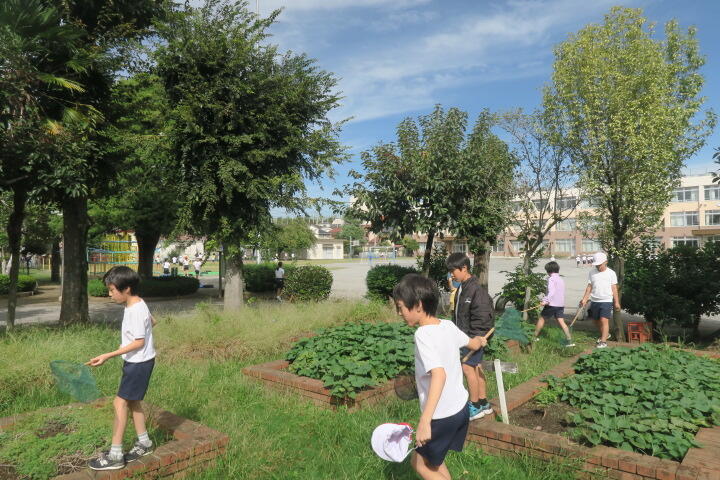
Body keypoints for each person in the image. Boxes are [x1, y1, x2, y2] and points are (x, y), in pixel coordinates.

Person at [392, 274, 488, 480]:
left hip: (441, 415)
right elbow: (472, 343)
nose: (399, 313)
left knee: (419, 463)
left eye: (401, 307)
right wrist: (480, 340)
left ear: (418, 305)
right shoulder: (447, 325)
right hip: (460, 409)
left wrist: (425, 421)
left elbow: (439, 375)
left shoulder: (423, 334)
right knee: (433, 461)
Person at [86, 266, 156, 471]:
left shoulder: (135, 310)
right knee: (133, 402)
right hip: (140, 361)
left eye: (112, 290)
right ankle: (145, 443)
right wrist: (128, 343)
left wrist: (108, 355)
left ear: (126, 289)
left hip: (138, 364)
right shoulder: (138, 303)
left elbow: (139, 342)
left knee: (119, 403)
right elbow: (153, 322)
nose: (110, 294)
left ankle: (116, 455)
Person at [445, 252, 494, 421]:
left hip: (474, 338)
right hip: (465, 337)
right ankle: (483, 403)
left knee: (467, 368)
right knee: (476, 367)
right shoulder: (462, 288)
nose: (451, 275)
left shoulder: (476, 290)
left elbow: (483, 317)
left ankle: (474, 405)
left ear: (464, 268)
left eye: (453, 271)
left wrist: (476, 340)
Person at [580, 252, 621, 349]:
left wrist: (616, 302)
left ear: (606, 262)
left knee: (604, 320)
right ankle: (605, 334)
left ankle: (603, 342)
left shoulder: (611, 273)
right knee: (595, 321)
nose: (598, 266)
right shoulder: (592, 272)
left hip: (606, 300)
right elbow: (589, 287)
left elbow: (614, 288)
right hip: (594, 300)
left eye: (600, 264)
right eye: (596, 265)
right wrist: (584, 299)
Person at [533, 261, 574, 347]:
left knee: (542, 319)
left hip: (552, 304)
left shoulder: (551, 279)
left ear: (548, 271)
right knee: (561, 321)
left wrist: (545, 301)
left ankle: (534, 337)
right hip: (560, 305)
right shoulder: (560, 279)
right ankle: (569, 340)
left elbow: (551, 292)